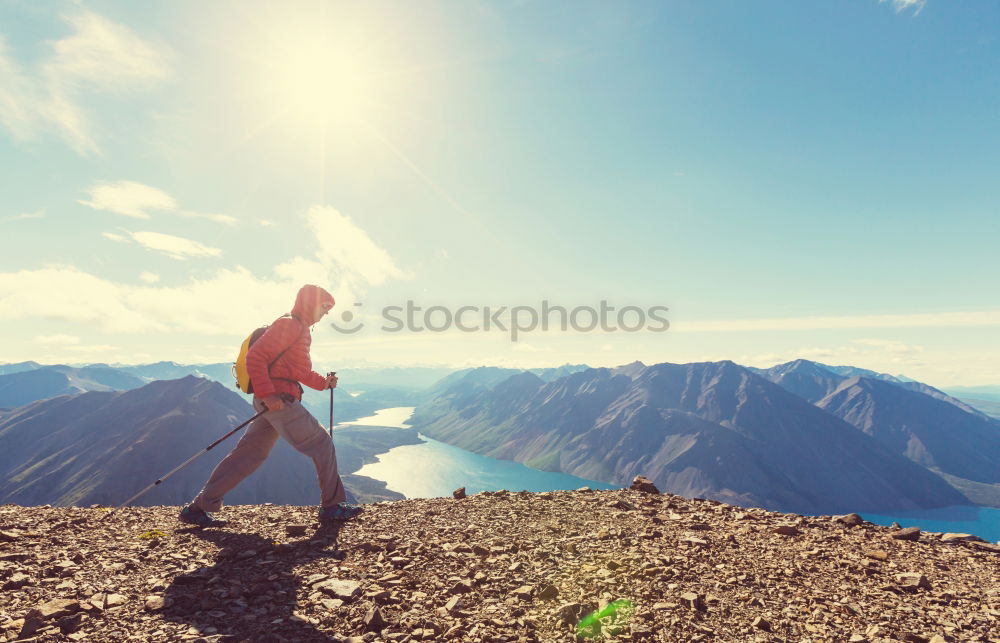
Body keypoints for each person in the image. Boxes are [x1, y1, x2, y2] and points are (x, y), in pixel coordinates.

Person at [179, 284, 362, 527]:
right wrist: (267, 395)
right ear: (310, 303)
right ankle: (332, 506)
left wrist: (324, 383)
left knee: (249, 455)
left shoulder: (299, 328)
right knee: (322, 444)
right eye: (325, 306)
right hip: (278, 400)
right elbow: (255, 357)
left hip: (274, 401)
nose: (326, 313)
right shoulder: (290, 325)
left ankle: (198, 508)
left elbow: (298, 371)